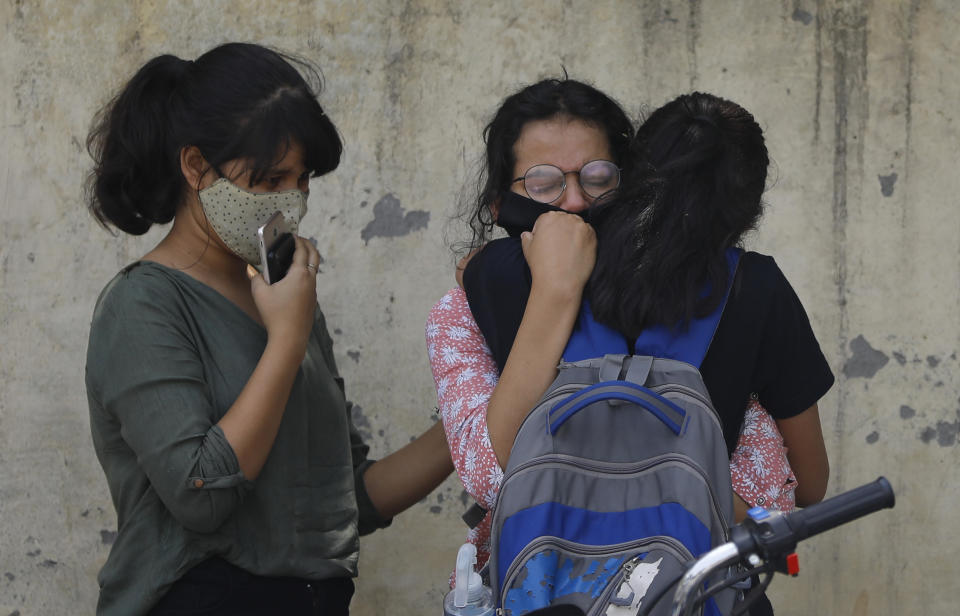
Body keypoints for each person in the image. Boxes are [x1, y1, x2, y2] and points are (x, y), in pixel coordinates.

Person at [84, 43, 452, 616]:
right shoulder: (144, 305)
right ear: (196, 167)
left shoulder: (287, 297)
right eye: (269, 178)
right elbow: (200, 495)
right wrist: (286, 338)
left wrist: (479, 416)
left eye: (302, 179)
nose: (292, 200)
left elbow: (343, 497)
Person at [425, 80, 806, 580]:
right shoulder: (467, 310)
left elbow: (775, 499)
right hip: (540, 589)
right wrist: (554, 293)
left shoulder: (703, 300)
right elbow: (488, 474)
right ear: (499, 205)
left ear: (636, 186)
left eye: (599, 177)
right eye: (543, 185)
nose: (577, 202)